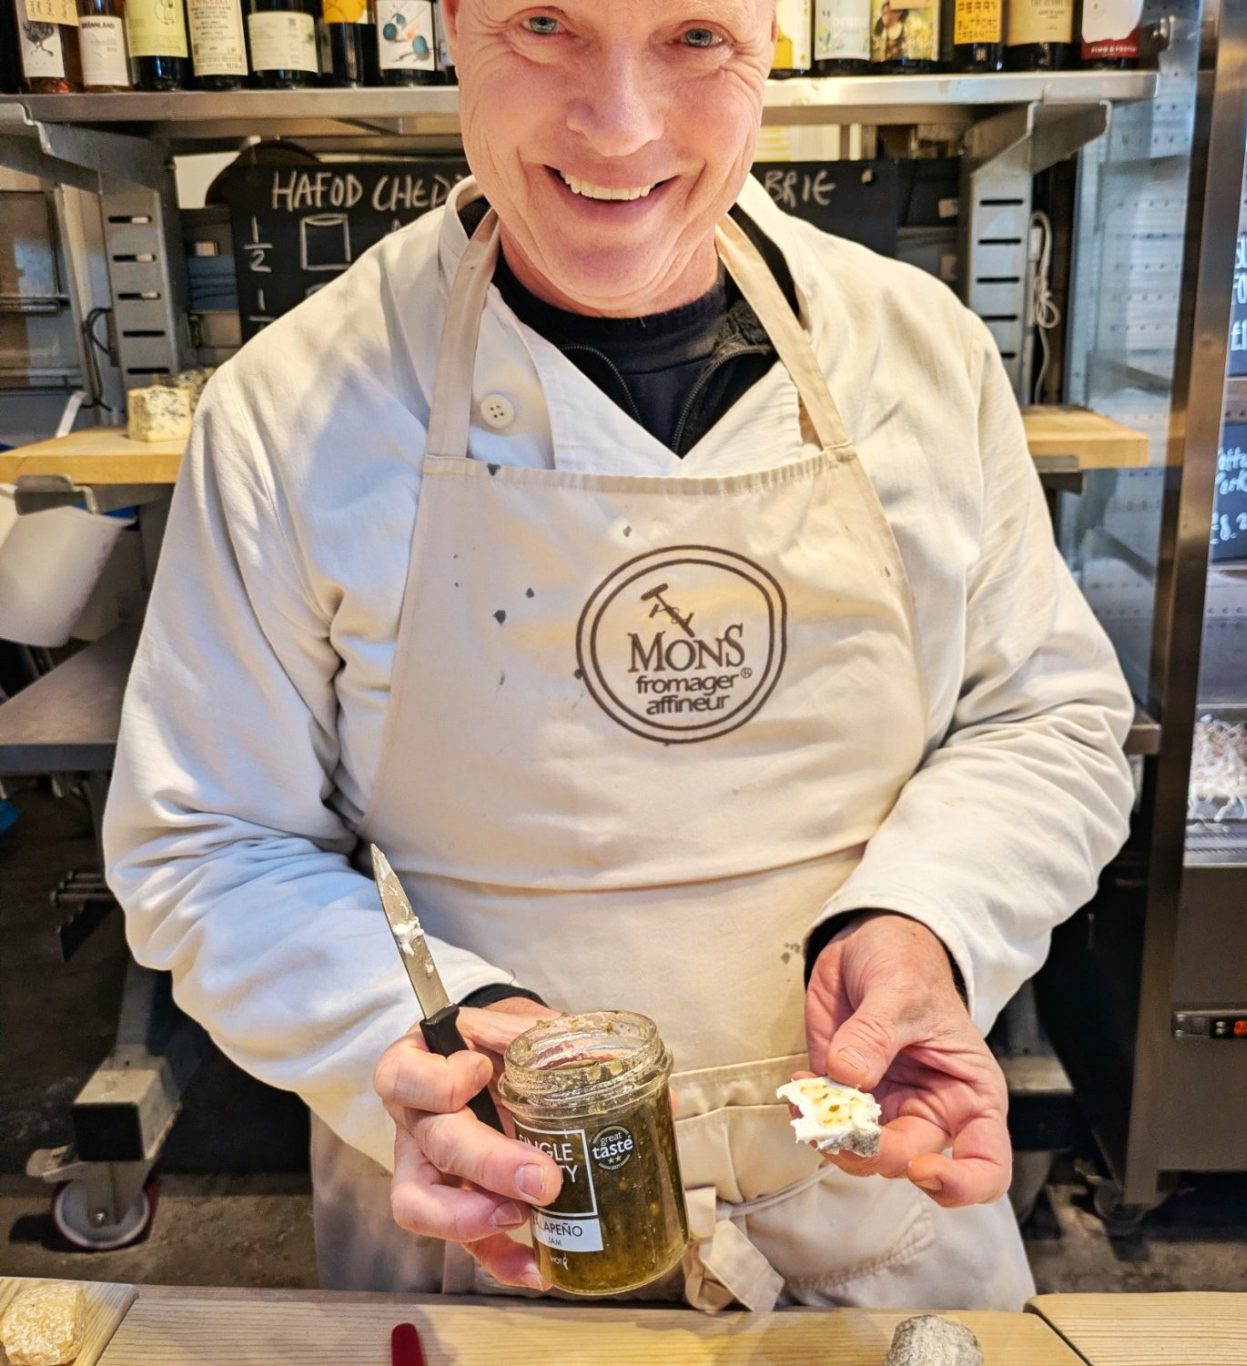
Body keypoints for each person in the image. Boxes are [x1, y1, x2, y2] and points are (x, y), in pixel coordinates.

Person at [105, 0, 1134, 1312]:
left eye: (694, 37)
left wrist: (925, 920)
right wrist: (423, 1032)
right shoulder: (294, 408)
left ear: (773, 32)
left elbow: (1043, 720)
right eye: (547, 25)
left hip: (867, 1175)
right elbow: (205, 841)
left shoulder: (915, 354)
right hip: (491, 1211)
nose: (621, 125)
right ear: (450, 24)